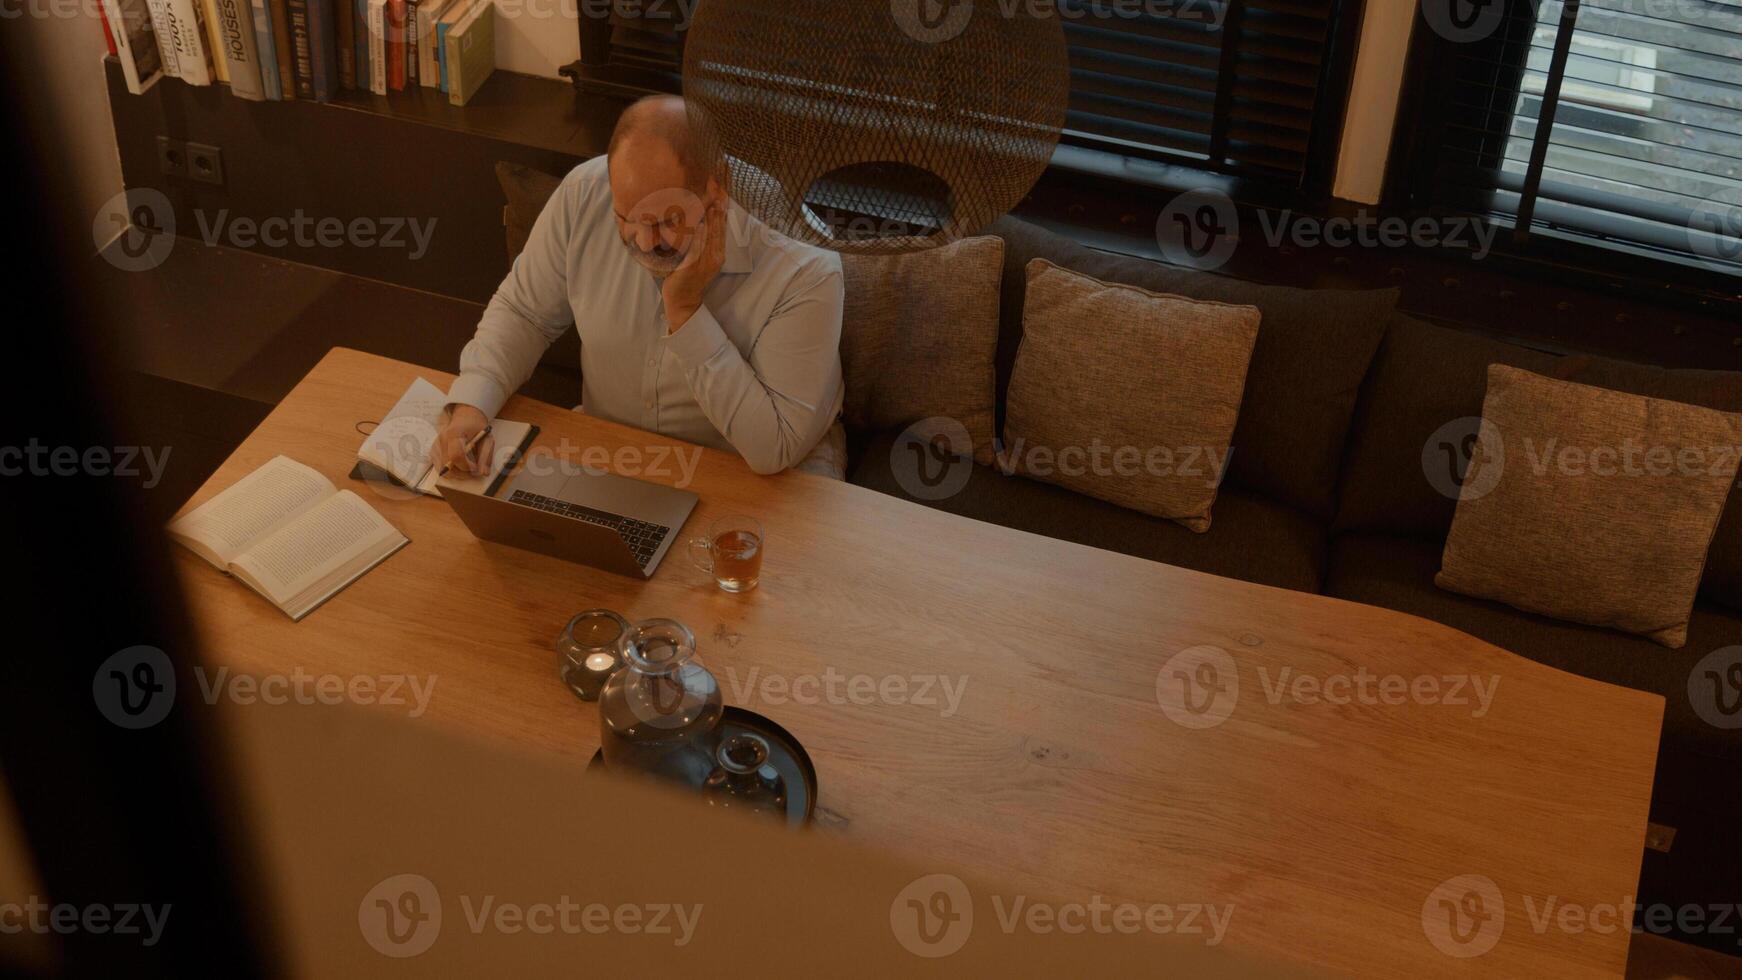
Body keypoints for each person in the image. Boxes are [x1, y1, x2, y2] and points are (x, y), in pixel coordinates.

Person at [431, 95, 847, 478]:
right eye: (626, 218)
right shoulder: (583, 193)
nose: (646, 243)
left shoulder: (804, 271)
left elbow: (773, 448)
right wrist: (474, 402)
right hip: (611, 454)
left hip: (752, 477)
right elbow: (525, 313)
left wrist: (685, 313)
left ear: (716, 188)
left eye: (667, 220)